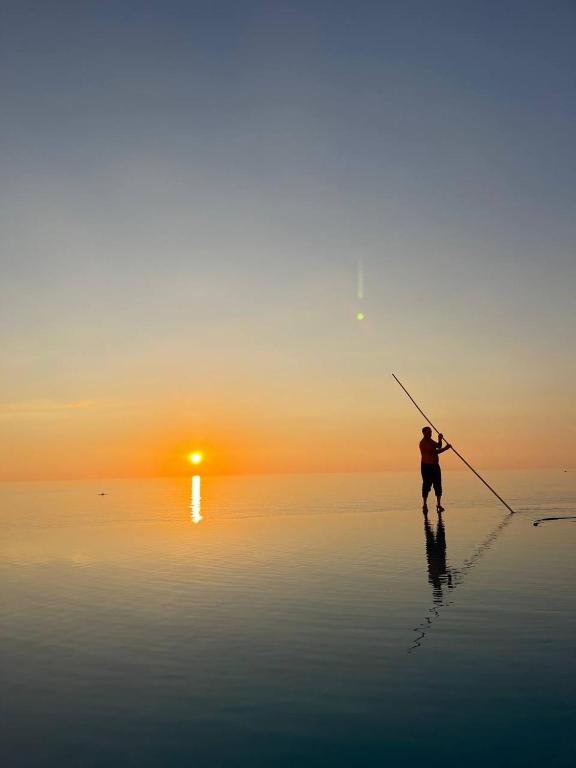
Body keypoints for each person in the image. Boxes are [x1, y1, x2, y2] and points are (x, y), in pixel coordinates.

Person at [419, 426, 451, 513]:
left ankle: (438, 504)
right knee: (426, 485)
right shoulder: (423, 443)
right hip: (426, 467)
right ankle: (424, 505)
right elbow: (435, 451)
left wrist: (439, 439)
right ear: (424, 433)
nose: (430, 434)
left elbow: (438, 446)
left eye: (431, 432)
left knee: (438, 484)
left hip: (435, 466)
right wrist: (446, 448)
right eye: (429, 432)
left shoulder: (430, 440)